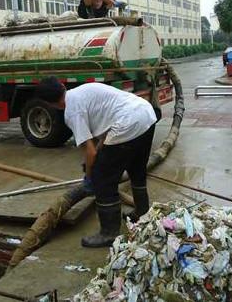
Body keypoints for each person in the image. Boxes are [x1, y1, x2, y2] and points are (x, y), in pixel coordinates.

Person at [35, 77, 158, 248]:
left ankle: (109, 233)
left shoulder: (71, 112)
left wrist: (90, 177)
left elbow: (90, 151)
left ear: (50, 103)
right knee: (136, 168)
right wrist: (99, 158)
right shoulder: (84, 90)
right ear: (63, 86)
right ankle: (142, 212)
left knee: (103, 180)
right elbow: (104, 135)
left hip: (127, 123)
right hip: (146, 114)